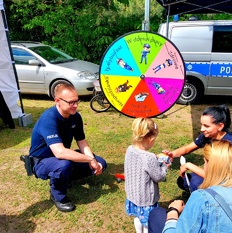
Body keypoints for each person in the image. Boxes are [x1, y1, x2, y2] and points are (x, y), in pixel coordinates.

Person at [149, 140, 232, 233]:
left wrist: (173, 212)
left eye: (205, 162)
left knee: (157, 214)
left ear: (210, 165)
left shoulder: (203, 198)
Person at [29, 83, 107, 212]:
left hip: (63, 156)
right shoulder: (49, 119)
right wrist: (89, 159)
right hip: (42, 161)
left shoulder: (75, 116)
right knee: (64, 165)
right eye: (71, 102)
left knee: (101, 163)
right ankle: (58, 196)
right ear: (57, 101)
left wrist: (92, 159)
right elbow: (59, 153)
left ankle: (64, 178)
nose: (75, 105)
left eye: (77, 101)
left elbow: (81, 142)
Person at [162, 104, 232, 192]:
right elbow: (187, 149)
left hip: (230, 182)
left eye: (206, 126)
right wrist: (171, 154)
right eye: (201, 125)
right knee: (183, 181)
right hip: (217, 175)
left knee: (195, 183)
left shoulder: (231, 145)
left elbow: (218, 178)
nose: (202, 129)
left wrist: (189, 165)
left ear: (220, 126)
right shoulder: (209, 135)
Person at [125, 118, 170, 233]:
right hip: (146, 199)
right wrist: (165, 166)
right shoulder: (148, 157)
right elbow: (159, 176)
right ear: (151, 138)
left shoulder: (130, 149)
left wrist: (155, 159)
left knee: (137, 217)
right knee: (148, 222)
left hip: (132, 195)